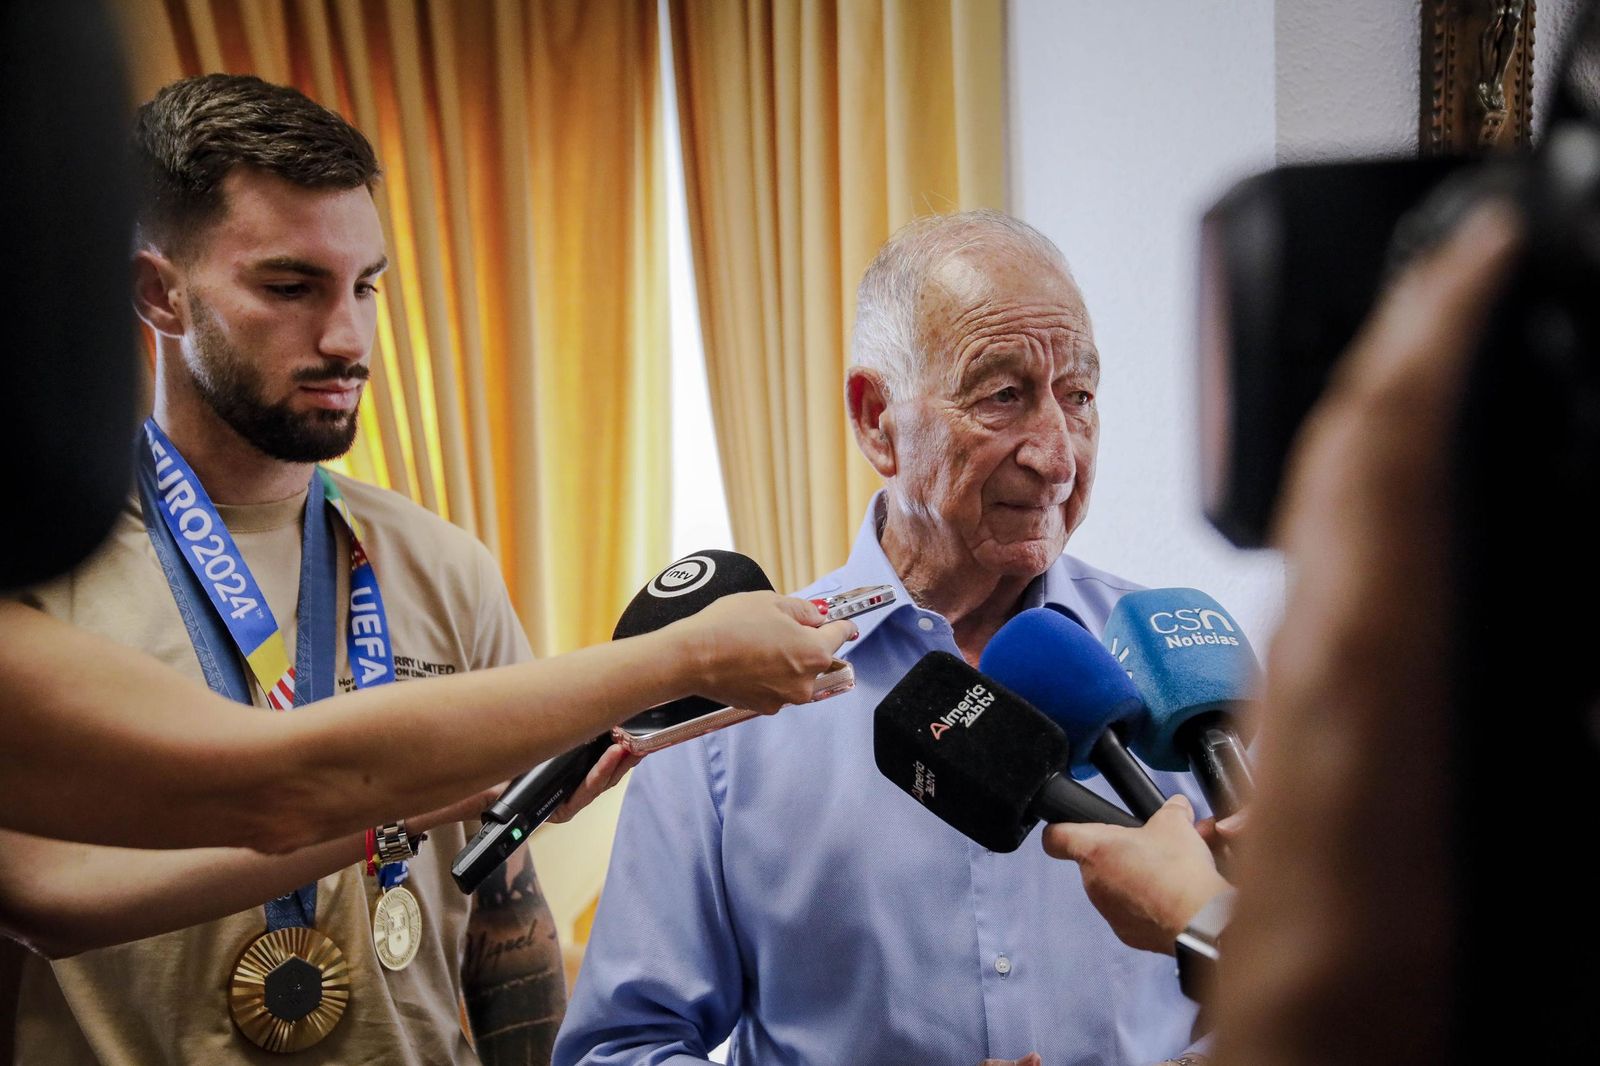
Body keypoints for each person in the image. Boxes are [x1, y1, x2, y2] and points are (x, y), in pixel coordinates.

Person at [0, 72, 848, 1066]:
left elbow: (504, 918)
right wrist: (683, 657)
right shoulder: (42, 566)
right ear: (160, 292)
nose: (347, 338)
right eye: (288, 287)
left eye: (365, 286)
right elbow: (52, 895)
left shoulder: (443, 567)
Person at [556, 210, 1210, 1066]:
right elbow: (621, 1049)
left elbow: (1305, 997)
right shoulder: (723, 700)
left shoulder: (1183, 676)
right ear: (876, 421)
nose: (1056, 456)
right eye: (1004, 394)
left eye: (1079, 397)